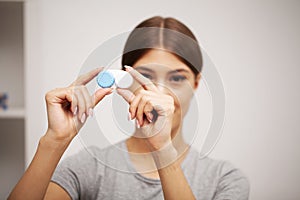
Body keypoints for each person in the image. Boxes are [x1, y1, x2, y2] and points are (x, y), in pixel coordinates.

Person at [8, 16, 249, 200]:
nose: (160, 93)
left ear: (196, 84)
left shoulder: (224, 179)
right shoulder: (89, 168)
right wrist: (54, 140)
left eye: (177, 78)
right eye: (145, 75)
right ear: (126, 79)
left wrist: (164, 151)